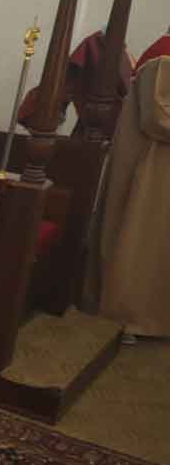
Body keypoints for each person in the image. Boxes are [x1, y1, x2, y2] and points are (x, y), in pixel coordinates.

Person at [85, 55, 170, 339]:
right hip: (152, 168)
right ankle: (128, 317)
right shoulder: (163, 58)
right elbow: (158, 118)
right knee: (139, 238)